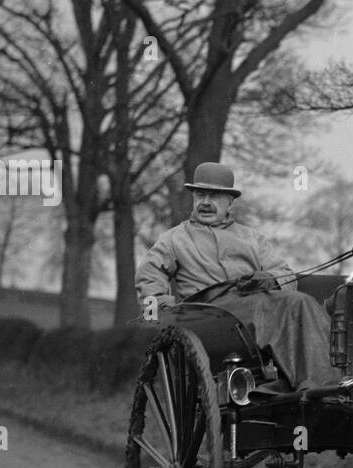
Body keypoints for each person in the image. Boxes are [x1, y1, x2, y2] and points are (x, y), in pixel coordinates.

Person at [135, 162, 335, 389]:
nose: (206, 203)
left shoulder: (253, 238)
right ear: (193, 197)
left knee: (302, 303)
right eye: (200, 195)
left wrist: (269, 279)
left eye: (215, 196)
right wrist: (165, 309)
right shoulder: (174, 239)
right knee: (294, 304)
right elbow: (149, 274)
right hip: (208, 316)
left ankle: (317, 383)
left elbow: (286, 275)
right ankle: (321, 384)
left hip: (255, 301)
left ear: (230, 202)